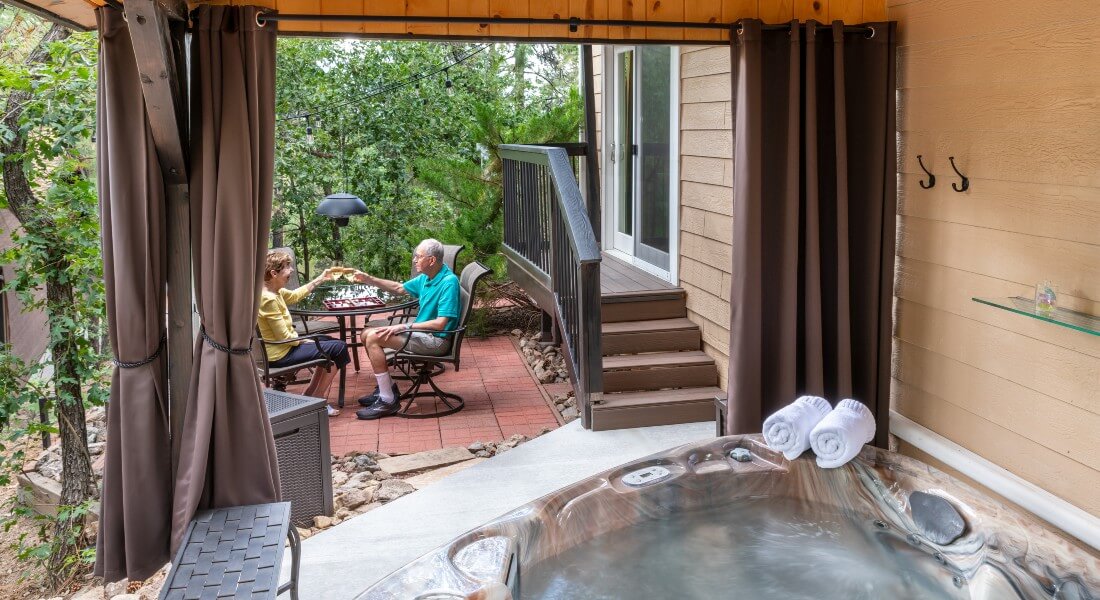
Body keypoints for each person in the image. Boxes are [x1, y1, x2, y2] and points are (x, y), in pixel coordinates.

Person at [350, 238, 460, 420]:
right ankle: (387, 389)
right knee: (365, 334)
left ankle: (387, 400)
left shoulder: (448, 282)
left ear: (431, 260)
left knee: (373, 338)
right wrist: (369, 279)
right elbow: (399, 288)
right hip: (421, 335)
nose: (414, 260)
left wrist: (405, 326)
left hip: (436, 341)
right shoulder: (428, 277)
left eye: (418, 256)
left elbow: (441, 323)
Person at [258, 250, 350, 417]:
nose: (291, 270)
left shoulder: (273, 291)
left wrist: (321, 278)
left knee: (328, 341)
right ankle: (318, 400)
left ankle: (310, 397)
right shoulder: (268, 299)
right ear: (273, 273)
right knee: (338, 348)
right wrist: (304, 341)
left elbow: (294, 296)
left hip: (281, 348)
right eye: (287, 267)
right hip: (279, 354)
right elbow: (285, 337)